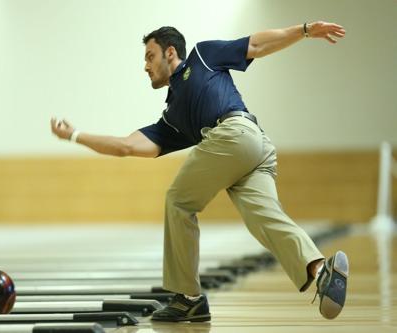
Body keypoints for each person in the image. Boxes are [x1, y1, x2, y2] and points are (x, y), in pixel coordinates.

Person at [51, 21, 348, 322]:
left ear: (170, 52)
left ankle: (188, 299)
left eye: (150, 56)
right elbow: (126, 146)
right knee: (265, 217)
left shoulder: (202, 56)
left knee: (179, 201)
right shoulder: (173, 117)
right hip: (254, 145)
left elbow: (256, 45)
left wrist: (306, 30)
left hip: (234, 134)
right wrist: (76, 135)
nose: (145, 66)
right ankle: (321, 271)